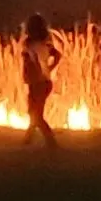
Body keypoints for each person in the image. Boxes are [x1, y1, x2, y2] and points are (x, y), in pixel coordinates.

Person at [22, 13, 61, 148]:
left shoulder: (29, 44)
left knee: (36, 114)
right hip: (42, 82)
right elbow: (57, 55)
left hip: (39, 83)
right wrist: (50, 68)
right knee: (33, 112)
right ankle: (28, 139)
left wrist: (40, 71)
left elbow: (32, 62)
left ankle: (51, 142)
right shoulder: (45, 44)